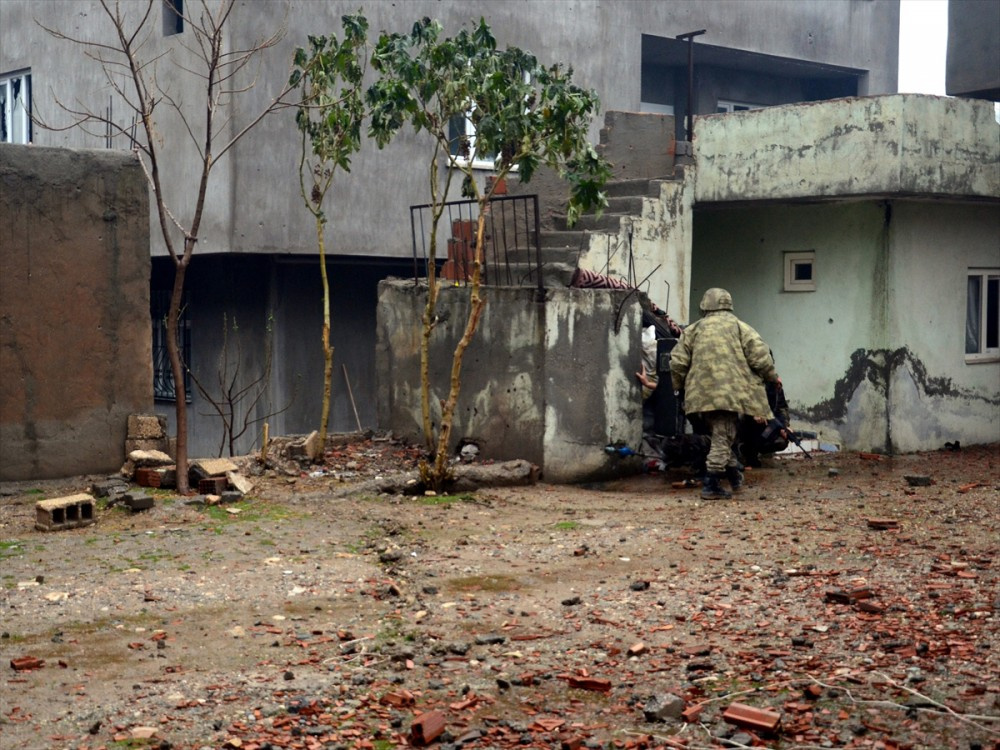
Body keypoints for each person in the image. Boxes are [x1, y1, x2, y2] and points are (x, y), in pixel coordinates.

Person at [669, 288, 779, 499]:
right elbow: (761, 358)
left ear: (705, 305)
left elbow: (678, 362)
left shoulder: (693, 330)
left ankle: (734, 474)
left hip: (699, 396)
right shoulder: (741, 328)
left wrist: (679, 387)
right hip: (730, 395)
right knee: (724, 434)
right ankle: (711, 484)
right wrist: (772, 377)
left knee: (719, 435)